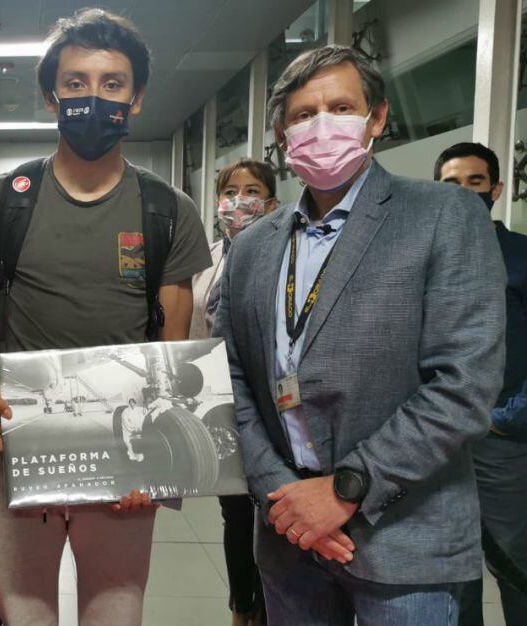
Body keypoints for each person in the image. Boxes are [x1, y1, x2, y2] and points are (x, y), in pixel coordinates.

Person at [215, 44, 506, 625]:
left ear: (376, 119)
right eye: (303, 115)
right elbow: (232, 379)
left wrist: (345, 490)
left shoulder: (443, 216)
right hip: (288, 534)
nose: (322, 125)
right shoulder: (253, 247)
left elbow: (464, 384)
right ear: (282, 132)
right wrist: (283, 496)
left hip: (405, 540)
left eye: (341, 107)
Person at [0, 9, 212, 624]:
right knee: (21, 610)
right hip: (19, 447)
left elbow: (171, 349)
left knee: (115, 610)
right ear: (52, 96)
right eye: (75, 83)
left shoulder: (166, 209)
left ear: (136, 97)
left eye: (111, 84)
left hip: (124, 456)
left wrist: (153, 459)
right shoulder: (7, 198)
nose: (92, 98)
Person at [435, 142, 527, 626]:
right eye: (452, 184)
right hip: (437, 438)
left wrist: (504, 420)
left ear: (496, 189)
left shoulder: (521, 258)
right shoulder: (425, 258)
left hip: (500, 437)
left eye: (475, 182)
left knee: (512, 560)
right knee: (452, 566)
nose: (465, 192)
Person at [191, 158, 278, 626]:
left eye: (252, 191)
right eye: (229, 192)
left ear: (272, 202)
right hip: (221, 410)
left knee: (273, 517)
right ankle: (242, 607)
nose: (238, 202)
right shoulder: (207, 259)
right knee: (236, 517)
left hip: (272, 414)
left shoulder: (285, 256)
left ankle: (271, 607)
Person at [120, 398, 145, 462]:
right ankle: (132, 456)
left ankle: (138, 456)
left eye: (133, 403)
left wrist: (139, 428)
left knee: (137, 442)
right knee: (129, 442)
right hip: (129, 430)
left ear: (135, 403)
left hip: (137, 430)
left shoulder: (138, 410)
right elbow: (125, 421)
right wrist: (131, 429)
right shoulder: (126, 411)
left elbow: (144, 412)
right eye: (130, 403)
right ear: (129, 403)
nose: (132, 404)